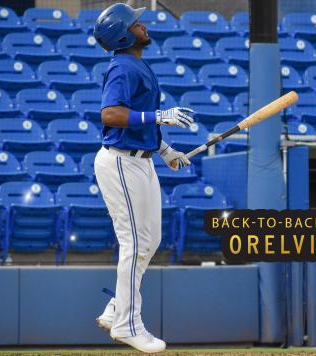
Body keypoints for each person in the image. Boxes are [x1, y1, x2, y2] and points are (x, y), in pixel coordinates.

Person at [92, 3, 195, 354]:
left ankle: (117, 309)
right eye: (136, 23)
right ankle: (127, 326)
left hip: (143, 160)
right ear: (123, 34)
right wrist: (159, 115)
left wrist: (164, 150)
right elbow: (111, 113)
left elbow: (141, 119)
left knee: (150, 241)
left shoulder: (136, 63)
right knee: (134, 242)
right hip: (120, 162)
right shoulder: (122, 66)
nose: (143, 24)